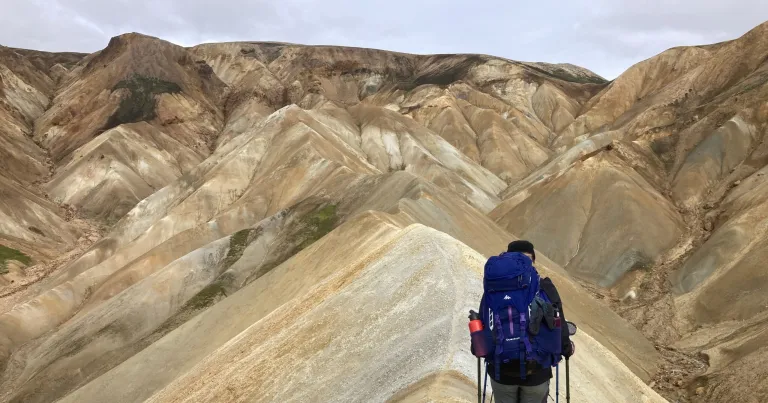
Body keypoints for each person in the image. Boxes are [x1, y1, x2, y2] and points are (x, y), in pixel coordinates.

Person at [479, 240, 574, 403]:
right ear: (533, 260)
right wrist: (566, 348)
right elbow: (559, 319)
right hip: (536, 372)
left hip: (501, 371)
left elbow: (483, 322)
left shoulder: (493, 289)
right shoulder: (543, 286)